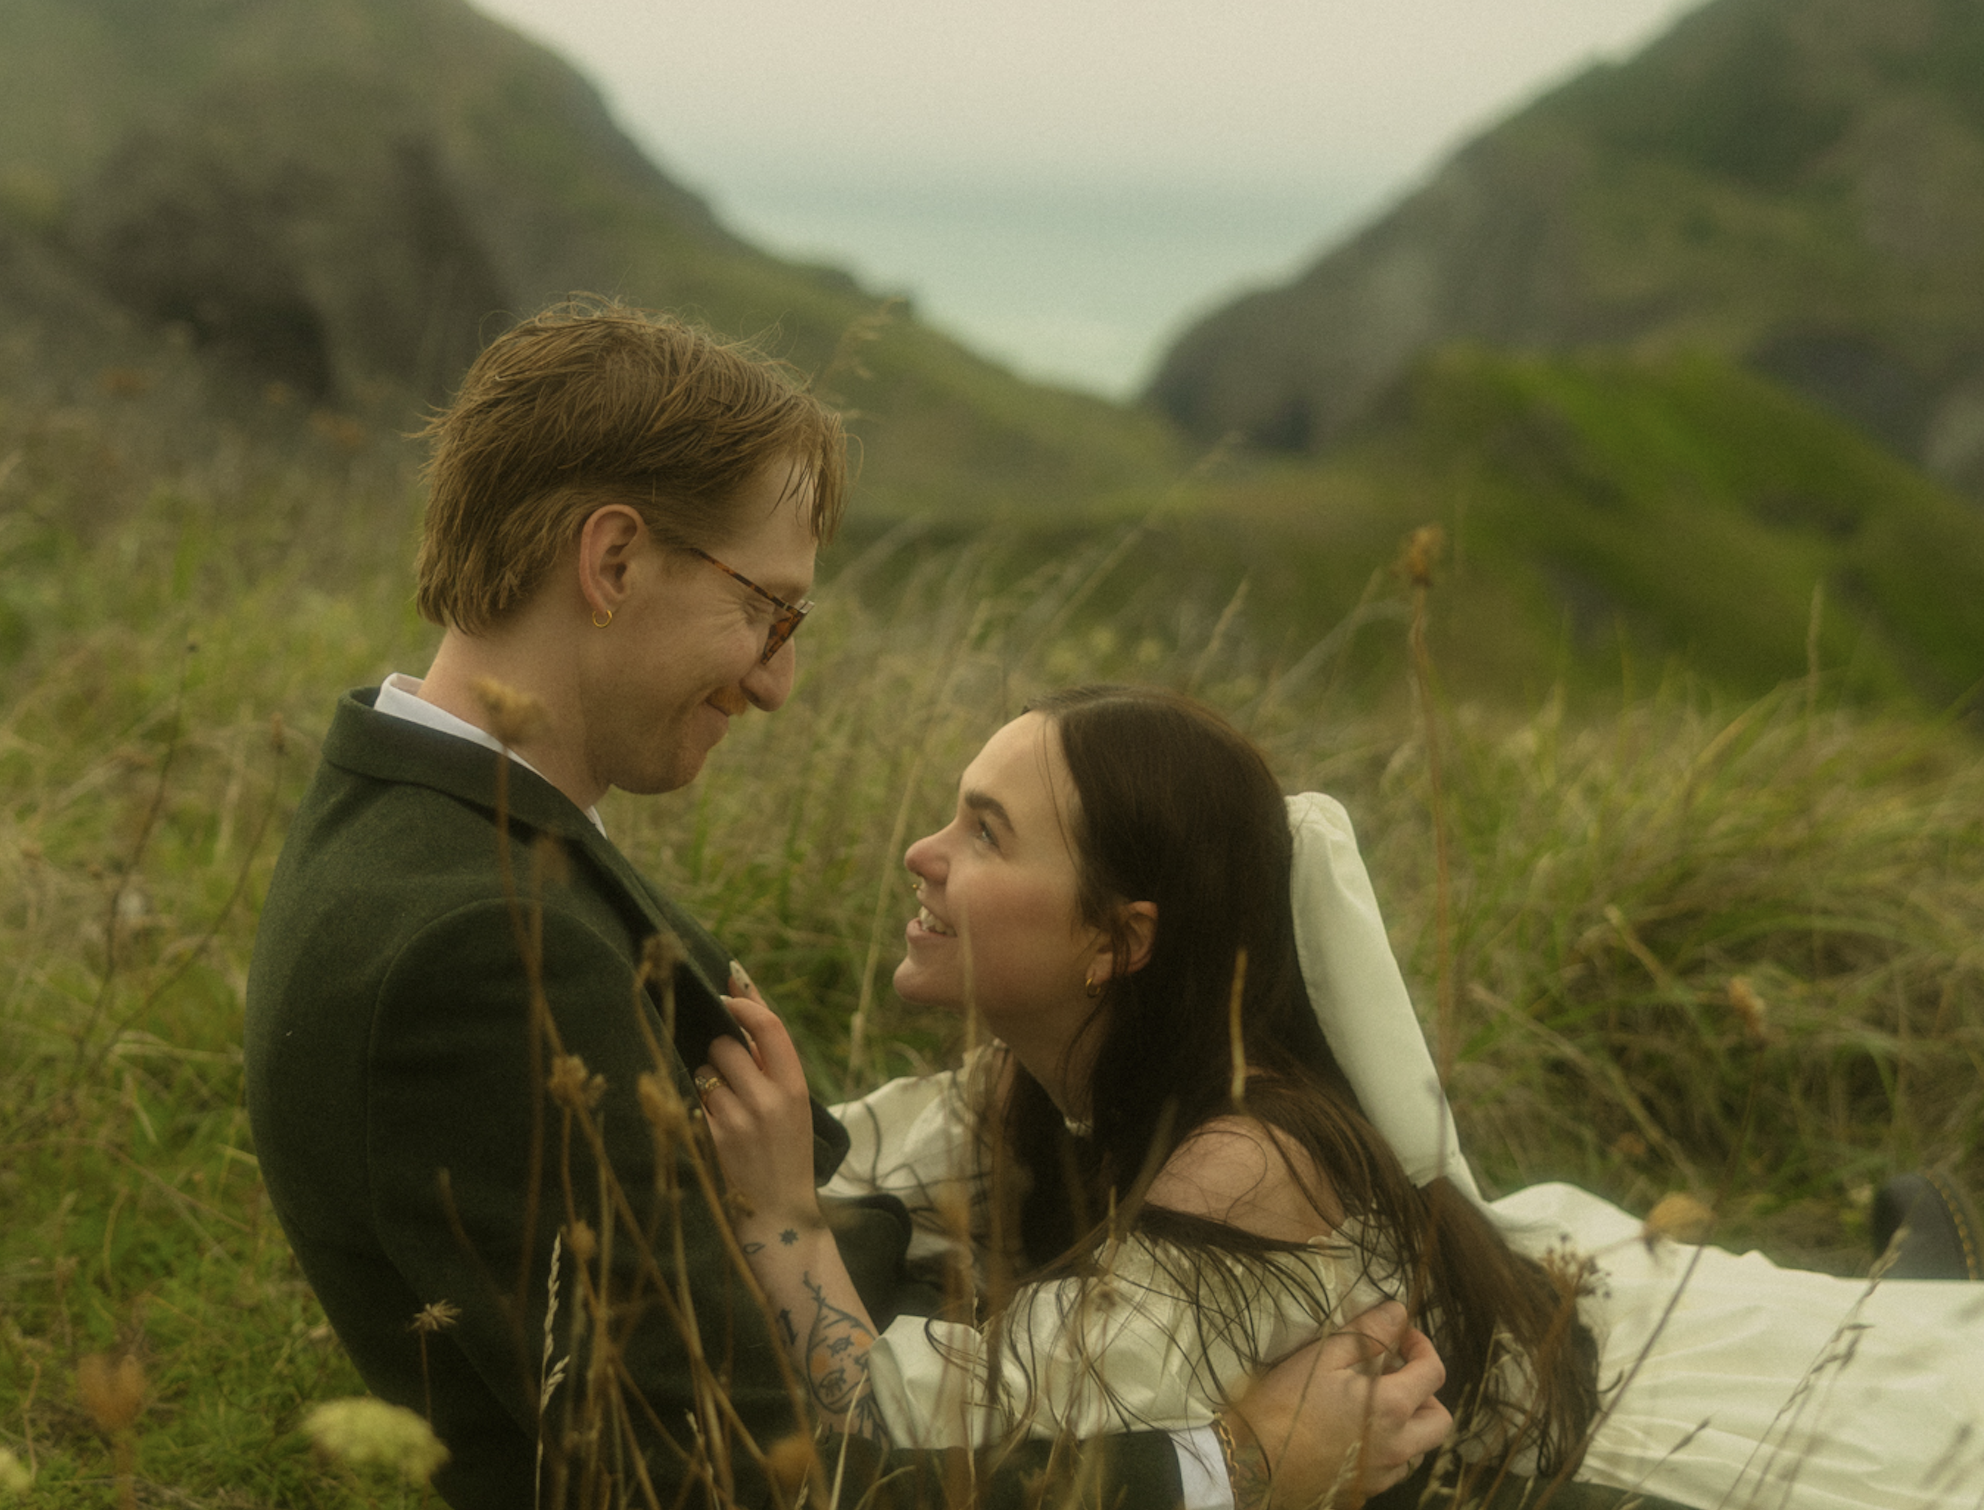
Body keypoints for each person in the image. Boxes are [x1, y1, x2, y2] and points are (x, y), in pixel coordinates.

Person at [244, 304, 1452, 1510]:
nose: (775, 679)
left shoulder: (440, 833)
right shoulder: (478, 952)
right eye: (765, 610)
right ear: (611, 563)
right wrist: (1233, 1466)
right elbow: (737, 1486)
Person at [700, 686, 1984, 1510]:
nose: (920, 854)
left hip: (1517, 1441)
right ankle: (1907, 1271)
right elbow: (859, 1154)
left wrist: (782, 1225)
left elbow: (913, 1425)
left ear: (1117, 940)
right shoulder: (1029, 1076)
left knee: (1890, 1384)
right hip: (1512, 1278)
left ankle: (1916, 1277)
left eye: (985, 832)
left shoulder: (1246, 1175)